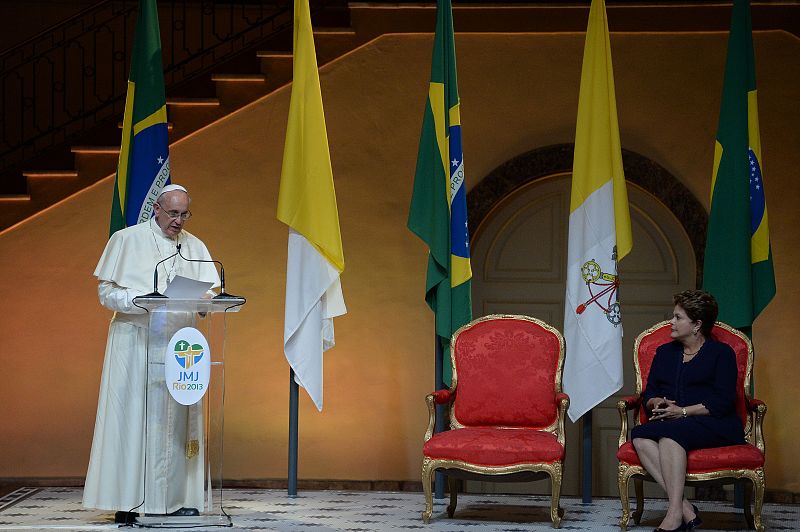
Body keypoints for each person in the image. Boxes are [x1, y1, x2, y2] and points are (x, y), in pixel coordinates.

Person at [82, 184, 220, 523]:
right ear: (156, 208)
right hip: (136, 341)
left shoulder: (195, 245)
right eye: (173, 213)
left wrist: (207, 301)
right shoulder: (126, 240)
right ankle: (129, 501)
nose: (179, 221)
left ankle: (177, 499)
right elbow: (106, 293)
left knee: (177, 425)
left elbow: (210, 289)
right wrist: (144, 300)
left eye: (184, 214)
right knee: (133, 419)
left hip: (180, 344)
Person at [631, 289, 745, 532]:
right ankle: (684, 508)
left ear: (697, 324)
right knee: (640, 436)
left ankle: (673, 516)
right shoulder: (665, 352)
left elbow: (724, 401)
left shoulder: (721, 354)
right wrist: (657, 403)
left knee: (671, 436)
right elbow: (648, 393)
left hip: (714, 422)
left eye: (678, 317)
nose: (671, 322)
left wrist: (682, 411)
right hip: (673, 421)